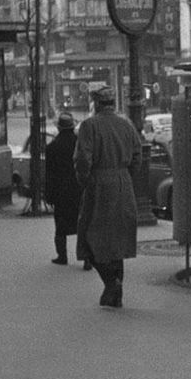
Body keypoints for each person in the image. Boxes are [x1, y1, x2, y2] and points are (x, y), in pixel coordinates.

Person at [73, 86, 143, 308]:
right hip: (123, 185)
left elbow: (83, 158)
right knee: (118, 242)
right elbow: (137, 156)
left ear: (96, 104)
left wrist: (85, 180)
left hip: (100, 185)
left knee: (90, 238)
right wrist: (125, 176)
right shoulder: (126, 125)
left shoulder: (89, 126)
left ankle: (111, 284)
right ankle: (116, 294)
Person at [45, 111, 82, 267]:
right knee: (82, 224)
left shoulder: (52, 147)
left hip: (60, 191)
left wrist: (49, 195)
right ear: (72, 127)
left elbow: (49, 174)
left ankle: (62, 256)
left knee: (60, 225)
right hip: (79, 189)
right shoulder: (80, 144)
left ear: (59, 128)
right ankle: (87, 258)